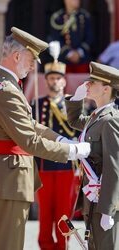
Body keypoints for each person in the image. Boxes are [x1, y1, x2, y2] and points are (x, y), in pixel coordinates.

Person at [0, 26, 91, 250]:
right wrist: (73, 152)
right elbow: (29, 141)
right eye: (30, 59)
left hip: (0, 175)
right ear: (16, 56)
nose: (32, 65)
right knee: (8, 245)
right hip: (9, 179)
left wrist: (61, 140)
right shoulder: (7, 90)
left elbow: (32, 125)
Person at [65, 61, 119, 249]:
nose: (87, 85)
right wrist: (75, 100)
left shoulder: (111, 120)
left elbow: (114, 167)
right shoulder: (97, 116)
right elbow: (74, 121)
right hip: (92, 197)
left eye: (92, 83)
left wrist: (108, 210)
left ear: (106, 89)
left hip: (103, 202)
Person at [31, 60, 79, 250]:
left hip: (66, 165)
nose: (54, 81)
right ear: (46, 81)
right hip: (44, 165)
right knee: (45, 213)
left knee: (63, 212)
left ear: (64, 81)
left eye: (58, 78)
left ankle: (63, 245)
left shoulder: (72, 105)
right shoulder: (37, 104)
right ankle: (45, 246)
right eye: (51, 78)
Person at [49, 0, 93, 73]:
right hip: (64, 61)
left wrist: (79, 52)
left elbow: (90, 37)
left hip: (82, 60)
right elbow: (55, 38)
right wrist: (69, 53)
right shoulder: (58, 17)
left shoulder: (84, 16)